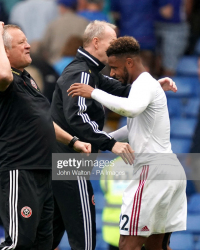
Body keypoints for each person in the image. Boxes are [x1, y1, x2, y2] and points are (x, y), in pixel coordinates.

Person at [49, 20, 177, 250]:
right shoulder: (81, 73)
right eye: (112, 40)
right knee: (85, 236)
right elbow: (76, 117)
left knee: (50, 234)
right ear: (96, 42)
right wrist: (110, 143)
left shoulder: (92, 73)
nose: (115, 45)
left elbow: (124, 91)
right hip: (70, 161)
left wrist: (155, 87)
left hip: (68, 161)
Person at [0, 21, 91, 250]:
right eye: (21, 42)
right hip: (18, 170)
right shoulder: (0, 79)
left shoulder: (28, 80)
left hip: (43, 173)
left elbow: (43, 122)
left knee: (43, 244)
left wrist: (73, 141)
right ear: (4, 50)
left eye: (27, 41)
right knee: (18, 244)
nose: (28, 45)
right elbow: (2, 74)